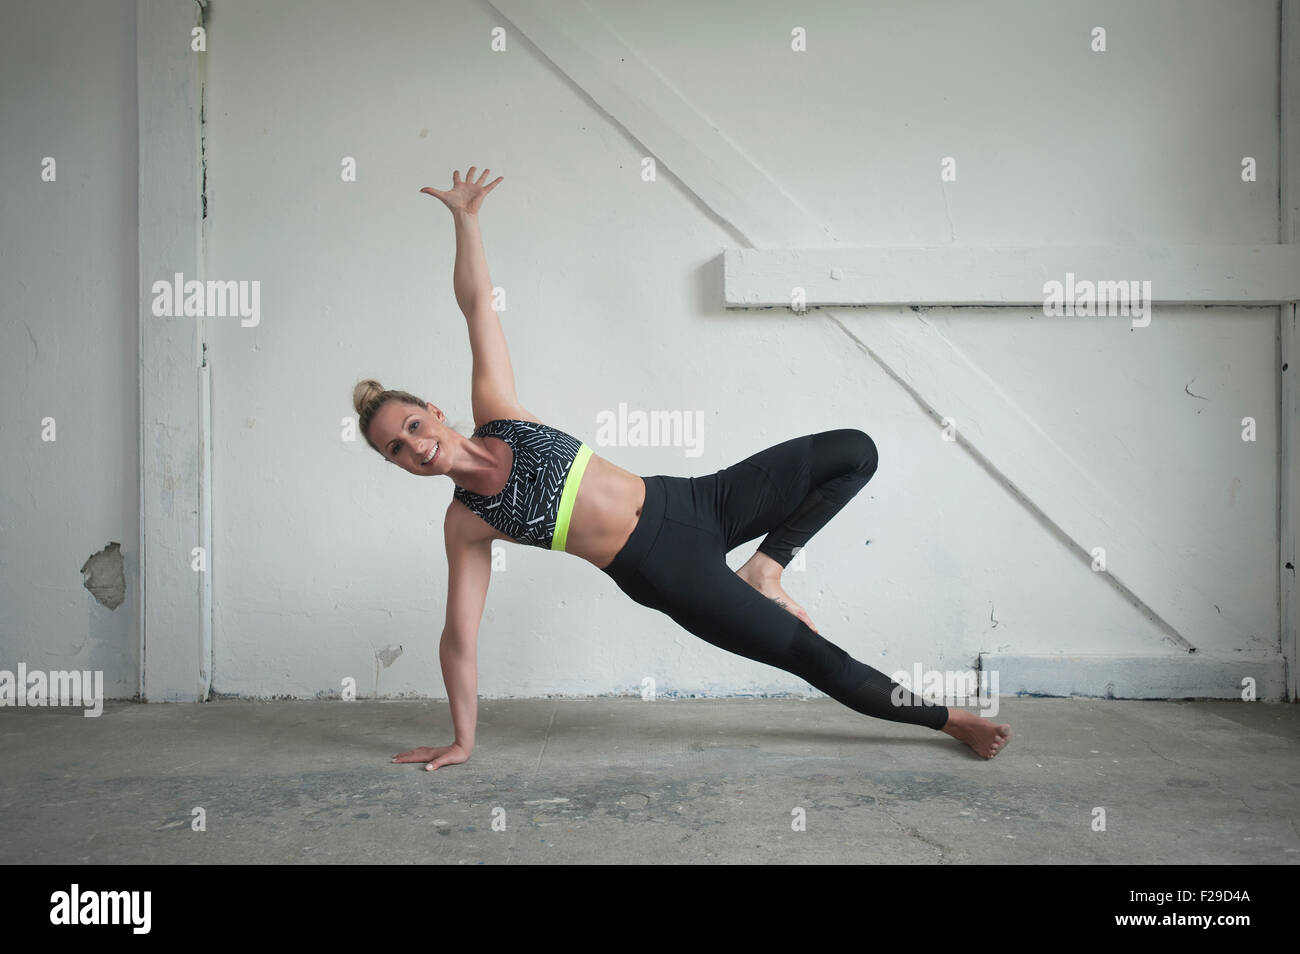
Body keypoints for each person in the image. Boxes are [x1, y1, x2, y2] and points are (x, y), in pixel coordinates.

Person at [360, 166, 1011, 771]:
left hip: (695, 501)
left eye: (412, 426)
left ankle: (766, 568)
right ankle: (951, 721)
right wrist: (463, 739)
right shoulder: (467, 522)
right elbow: (459, 638)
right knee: (812, 656)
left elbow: (478, 306)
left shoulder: (499, 413)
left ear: (433, 412)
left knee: (852, 451)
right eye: (395, 449)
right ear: (397, 465)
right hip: (667, 572)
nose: (414, 447)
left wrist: (466, 219)